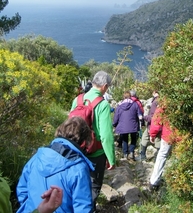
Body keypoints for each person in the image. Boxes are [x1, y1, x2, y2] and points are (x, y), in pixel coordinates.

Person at [16, 117, 95, 213]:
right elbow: (83, 207)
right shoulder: (79, 168)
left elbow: (22, 191)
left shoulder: (36, 157)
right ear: (83, 144)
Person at [71, 71, 115, 212]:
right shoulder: (102, 105)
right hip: (95, 153)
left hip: (77, 150)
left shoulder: (78, 100)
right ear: (105, 86)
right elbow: (106, 136)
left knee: (78, 185)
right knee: (94, 186)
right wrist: (111, 158)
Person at [149, 106, 180, 191]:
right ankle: (178, 181)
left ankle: (154, 182)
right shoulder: (187, 98)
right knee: (179, 156)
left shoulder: (165, 101)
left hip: (168, 134)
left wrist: (152, 134)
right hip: (182, 135)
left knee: (162, 156)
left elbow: (157, 119)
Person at [113, 91, 143, 160]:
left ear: (123, 97)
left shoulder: (119, 106)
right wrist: (141, 120)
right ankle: (131, 152)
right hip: (133, 125)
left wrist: (114, 124)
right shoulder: (135, 104)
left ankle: (125, 154)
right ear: (130, 97)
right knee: (133, 138)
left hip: (123, 126)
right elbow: (139, 114)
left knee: (124, 139)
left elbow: (116, 117)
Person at [137, 91, 160, 161]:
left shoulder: (155, 102)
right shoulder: (162, 101)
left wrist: (144, 117)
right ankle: (157, 158)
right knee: (158, 141)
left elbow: (152, 117)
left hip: (152, 125)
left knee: (144, 138)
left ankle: (143, 156)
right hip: (161, 124)